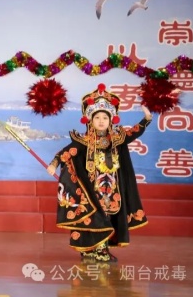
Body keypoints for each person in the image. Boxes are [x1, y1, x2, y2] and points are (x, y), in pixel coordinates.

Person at [46, 83, 150, 263]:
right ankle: (93, 250)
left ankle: (100, 249)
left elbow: (133, 132)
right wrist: (54, 164)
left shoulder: (117, 139)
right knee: (92, 218)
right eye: (97, 117)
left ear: (111, 120)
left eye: (105, 117)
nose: (101, 121)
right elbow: (66, 152)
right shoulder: (83, 141)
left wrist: (146, 119)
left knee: (108, 217)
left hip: (112, 189)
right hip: (91, 189)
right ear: (90, 120)